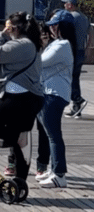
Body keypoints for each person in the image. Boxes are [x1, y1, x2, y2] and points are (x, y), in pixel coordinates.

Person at [0, 12, 44, 181]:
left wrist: (2, 34)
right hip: (28, 97)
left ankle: (16, 138)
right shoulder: (29, 43)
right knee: (16, 135)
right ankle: (19, 183)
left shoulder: (23, 44)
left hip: (17, 96)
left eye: (9, 26)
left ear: (15, 28)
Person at [35, 11, 76, 188]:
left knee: (54, 136)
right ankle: (54, 171)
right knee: (51, 135)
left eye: (55, 24)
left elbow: (40, 62)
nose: (51, 27)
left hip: (54, 94)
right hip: (50, 93)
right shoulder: (57, 43)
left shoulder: (63, 45)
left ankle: (59, 175)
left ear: (63, 27)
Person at [60, 0, 89, 118]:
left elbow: (65, 33)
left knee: (69, 78)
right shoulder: (84, 17)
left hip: (72, 50)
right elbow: (90, 35)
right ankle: (77, 108)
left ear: (71, 4)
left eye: (65, 3)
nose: (64, 5)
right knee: (75, 78)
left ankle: (78, 99)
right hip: (81, 50)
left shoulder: (70, 17)